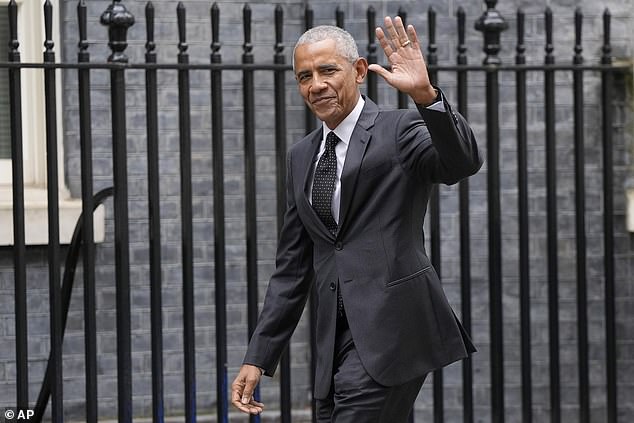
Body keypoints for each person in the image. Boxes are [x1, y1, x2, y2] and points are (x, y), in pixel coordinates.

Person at [231, 16, 482, 422]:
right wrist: (258, 357)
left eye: (328, 70)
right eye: (304, 76)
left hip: (394, 331)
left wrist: (426, 96)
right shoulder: (301, 156)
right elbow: (292, 268)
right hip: (335, 344)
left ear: (359, 71)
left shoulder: (400, 130)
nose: (316, 85)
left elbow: (461, 162)